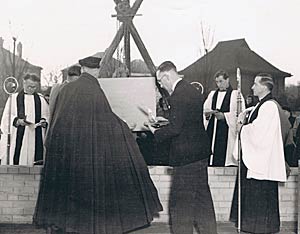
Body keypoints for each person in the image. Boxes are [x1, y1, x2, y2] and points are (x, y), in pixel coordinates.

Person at [33, 56, 162, 234]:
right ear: (96, 70)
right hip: (86, 156)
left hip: (67, 153)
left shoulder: (66, 89)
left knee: (67, 194)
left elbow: (58, 120)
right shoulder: (94, 89)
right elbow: (106, 120)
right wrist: (125, 127)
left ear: (83, 69)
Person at [147, 61, 217, 234]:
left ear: (166, 76)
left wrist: (155, 131)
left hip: (186, 159)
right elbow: (186, 122)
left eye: (160, 83)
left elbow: (176, 129)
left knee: (180, 207)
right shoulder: (191, 90)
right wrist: (166, 122)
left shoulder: (178, 95)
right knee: (202, 204)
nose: (161, 87)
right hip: (199, 155)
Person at [230, 73, 287, 233]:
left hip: (262, 161)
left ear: (264, 86)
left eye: (255, 84)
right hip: (259, 159)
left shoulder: (269, 106)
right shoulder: (261, 105)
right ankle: (256, 227)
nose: (252, 87)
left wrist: (243, 126)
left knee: (261, 194)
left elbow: (260, 132)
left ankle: (262, 227)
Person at [0, 73, 49, 166]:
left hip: (35, 134)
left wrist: (43, 121)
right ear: (24, 83)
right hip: (18, 133)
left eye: (34, 87)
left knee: (35, 160)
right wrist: (17, 121)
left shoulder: (41, 99)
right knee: (17, 159)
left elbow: (46, 115)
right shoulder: (13, 98)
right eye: (29, 86)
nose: (31, 89)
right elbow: (7, 117)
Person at [203, 70, 245, 166]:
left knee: (223, 153)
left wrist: (225, 116)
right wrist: (208, 114)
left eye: (221, 81)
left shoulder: (235, 94)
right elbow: (205, 109)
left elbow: (240, 113)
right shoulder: (212, 94)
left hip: (226, 129)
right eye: (217, 82)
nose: (219, 84)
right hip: (213, 128)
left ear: (227, 80)